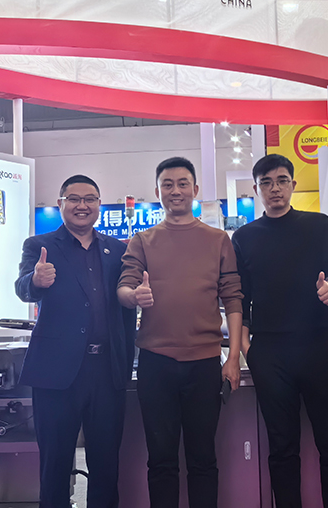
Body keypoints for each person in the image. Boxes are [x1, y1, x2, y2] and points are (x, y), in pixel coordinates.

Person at [117, 157, 242, 508]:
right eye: (167, 185)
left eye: (182, 183)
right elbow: (124, 288)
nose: (175, 191)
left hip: (204, 364)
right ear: (157, 192)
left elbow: (233, 298)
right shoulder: (142, 241)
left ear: (195, 190)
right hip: (156, 364)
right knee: (160, 460)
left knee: (203, 459)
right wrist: (134, 296)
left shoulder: (218, 240)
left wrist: (233, 357)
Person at [231, 154, 328, 508]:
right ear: (257, 189)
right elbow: (242, 297)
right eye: (266, 183)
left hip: (317, 344)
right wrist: (247, 349)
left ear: (293, 185)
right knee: (282, 448)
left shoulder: (318, 224)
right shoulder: (244, 236)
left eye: (282, 180)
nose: (275, 188)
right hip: (269, 353)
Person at [15, 174, 136, 508]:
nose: (82, 205)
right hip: (57, 372)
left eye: (90, 199)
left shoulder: (117, 250)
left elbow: (125, 302)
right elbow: (22, 287)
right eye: (74, 199)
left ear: (99, 205)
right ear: (61, 204)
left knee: (106, 463)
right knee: (55, 462)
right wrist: (35, 281)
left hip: (107, 370)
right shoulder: (40, 245)